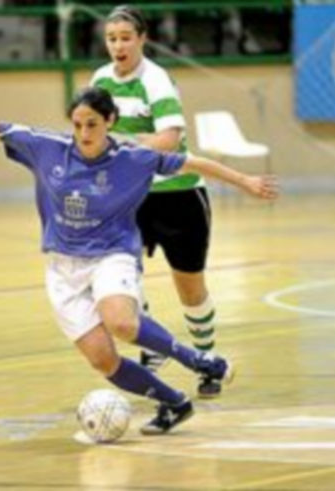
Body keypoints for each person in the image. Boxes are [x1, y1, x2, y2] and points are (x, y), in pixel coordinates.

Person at [0, 87, 277, 435]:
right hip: (62, 267)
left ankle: (196, 360)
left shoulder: (132, 159)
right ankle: (174, 403)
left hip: (112, 254)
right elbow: (1, 129)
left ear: (110, 121)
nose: (83, 132)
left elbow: (190, 162)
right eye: (77, 124)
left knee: (120, 321)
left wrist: (244, 180)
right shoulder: (48, 148)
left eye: (91, 124)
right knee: (103, 361)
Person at [91, 5, 223, 397]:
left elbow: (168, 139)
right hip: (130, 197)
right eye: (112, 38)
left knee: (189, 285)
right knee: (123, 276)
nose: (118, 45)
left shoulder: (156, 80)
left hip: (177, 196)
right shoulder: (101, 79)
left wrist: (121, 145)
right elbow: (91, 127)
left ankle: (206, 359)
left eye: (126, 37)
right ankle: (154, 348)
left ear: (142, 39)